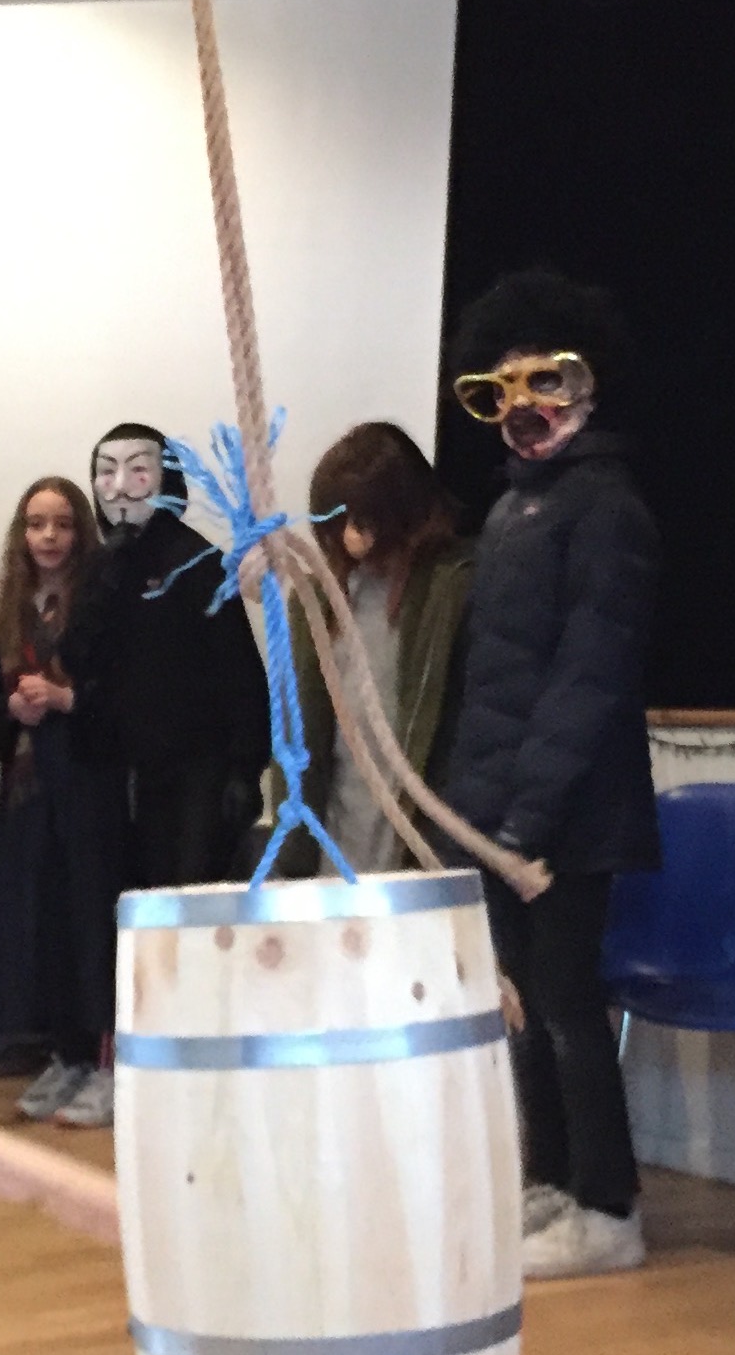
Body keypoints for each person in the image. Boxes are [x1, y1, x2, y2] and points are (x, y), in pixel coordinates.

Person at [439, 270, 662, 1281]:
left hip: (570, 813)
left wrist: (526, 817)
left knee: (568, 1005)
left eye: (546, 381)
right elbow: (492, 681)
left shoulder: (606, 509)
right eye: (499, 389)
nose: (522, 407)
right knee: (523, 1004)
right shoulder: (511, 510)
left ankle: (606, 1208)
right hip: (504, 815)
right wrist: (474, 814)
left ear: (588, 384)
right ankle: (550, 1182)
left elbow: (587, 676)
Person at [0, 476, 127, 1129]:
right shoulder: (7, 613)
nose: (48, 536)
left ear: (80, 533)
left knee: (93, 923)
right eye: (36, 524)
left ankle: (107, 1064)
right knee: (43, 923)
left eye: (62, 524)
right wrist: (10, 710)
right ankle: (65, 1055)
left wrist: (69, 700)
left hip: (91, 790)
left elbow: (129, 699)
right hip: (28, 794)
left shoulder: (103, 606)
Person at [274, 421, 475, 879]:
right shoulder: (316, 598)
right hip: (336, 832)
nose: (351, 538)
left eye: (364, 520)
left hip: (424, 833)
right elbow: (299, 727)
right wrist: (291, 850)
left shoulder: (452, 587)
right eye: (338, 521)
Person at [88, 423, 271, 889]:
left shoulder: (198, 562)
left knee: (190, 894)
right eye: (106, 472)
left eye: (138, 471)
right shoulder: (101, 570)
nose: (121, 487)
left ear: (165, 479)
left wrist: (245, 768)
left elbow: (240, 673)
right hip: (124, 775)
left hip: (199, 773)